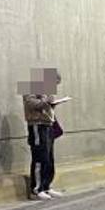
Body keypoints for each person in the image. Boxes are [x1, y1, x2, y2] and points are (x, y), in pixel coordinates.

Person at [21, 67, 69, 200]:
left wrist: (52, 104)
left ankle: (46, 186)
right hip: (37, 125)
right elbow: (30, 103)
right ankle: (36, 190)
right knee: (40, 157)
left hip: (48, 125)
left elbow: (44, 105)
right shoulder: (30, 87)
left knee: (49, 158)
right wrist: (46, 102)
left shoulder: (46, 90)